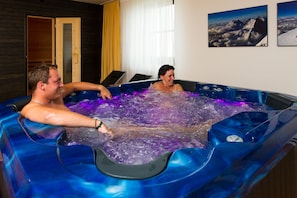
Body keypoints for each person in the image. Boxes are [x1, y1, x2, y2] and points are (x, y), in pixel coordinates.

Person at [21, 64, 113, 137]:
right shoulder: (31, 109)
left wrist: (99, 87)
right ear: (42, 86)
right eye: (57, 82)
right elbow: (50, 116)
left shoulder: (56, 96)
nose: (62, 85)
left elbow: (74, 86)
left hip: (87, 132)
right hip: (74, 141)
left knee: (126, 131)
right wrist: (97, 123)